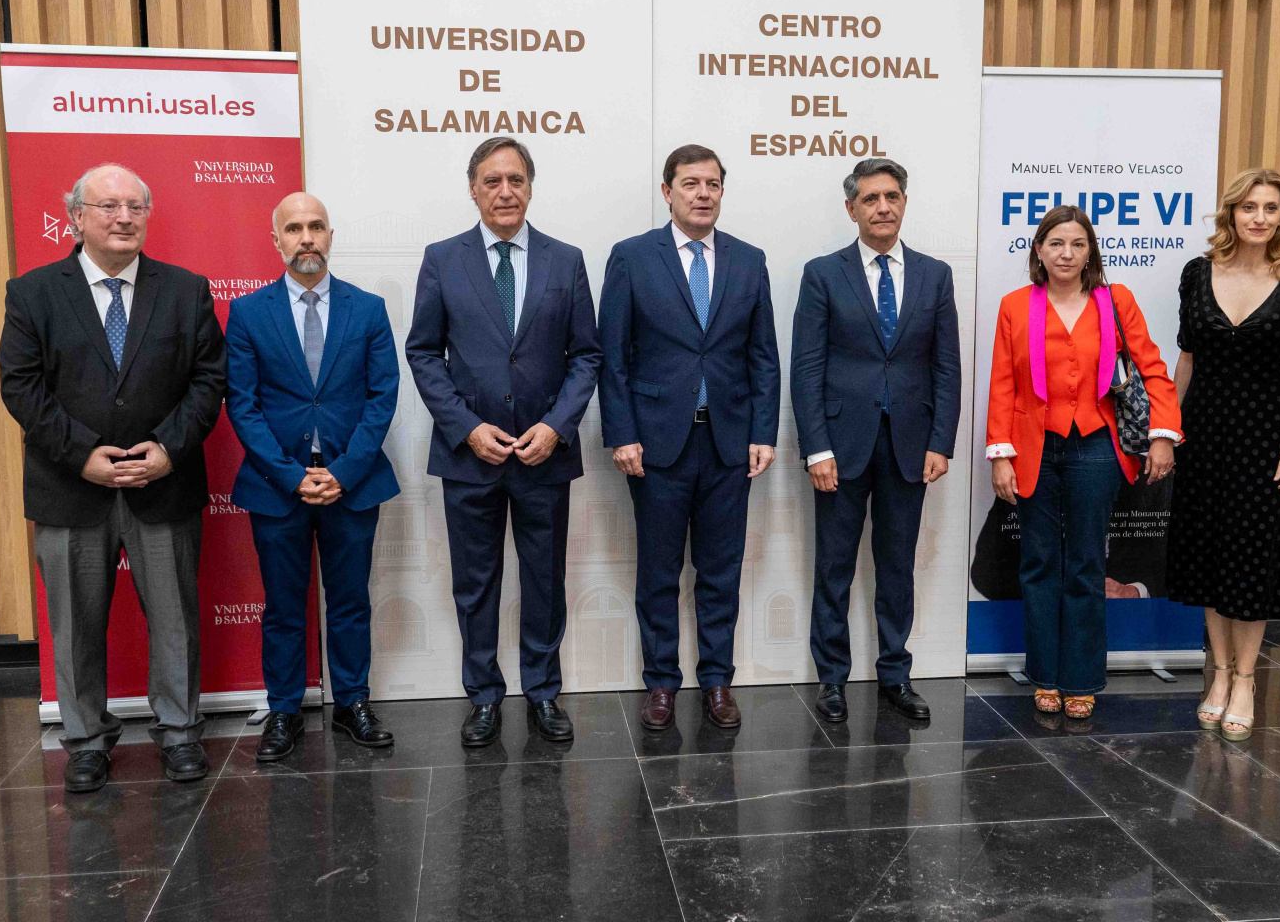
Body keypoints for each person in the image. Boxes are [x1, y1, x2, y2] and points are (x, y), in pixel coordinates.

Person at [0, 163, 226, 791]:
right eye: (108, 206)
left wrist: (168, 449)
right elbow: (20, 386)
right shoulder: (34, 292)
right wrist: (85, 456)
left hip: (164, 483)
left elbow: (210, 381)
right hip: (71, 488)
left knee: (176, 618)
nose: (124, 217)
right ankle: (86, 741)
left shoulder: (186, 290)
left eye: (135, 207)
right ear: (76, 217)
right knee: (73, 623)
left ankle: (180, 735)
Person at [406, 137, 601, 748]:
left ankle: (543, 692)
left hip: (544, 452)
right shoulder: (443, 258)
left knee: (544, 580)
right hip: (472, 457)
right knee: (476, 582)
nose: (505, 191)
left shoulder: (565, 259)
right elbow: (423, 352)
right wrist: (465, 427)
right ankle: (484, 696)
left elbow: (587, 354)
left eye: (515, 179)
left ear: (531, 186)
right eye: (492, 181)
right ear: (473, 189)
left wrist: (557, 426)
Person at [599, 144, 780, 731]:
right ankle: (661, 684)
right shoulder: (631, 258)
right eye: (690, 183)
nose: (703, 193)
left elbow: (763, 357)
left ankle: (718, 681)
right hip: (656, 444)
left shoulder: (749, 261)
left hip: (729, 442)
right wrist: (621, 432)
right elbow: (614, 357)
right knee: (658, 571)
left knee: (720, 570)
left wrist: (763, 431)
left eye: (713, 184)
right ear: (667, 192)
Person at [984, 205, 1180, 719]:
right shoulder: (1015, 306)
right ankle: (1045, 676)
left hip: (1096, 442)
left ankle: (1083, 678)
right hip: (1034, 447)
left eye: (1077, 243)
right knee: (1040, 563)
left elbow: (1154, 370)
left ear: (1090, 251)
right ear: (1039, 251)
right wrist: (1000, 454)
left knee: (1087, 565)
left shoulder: (1117, 301)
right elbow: (1003, 384)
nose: (1066, 253)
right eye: (1056, 243)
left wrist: (1163, 437)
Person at [226, 192, 401, 762]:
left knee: (350, 600)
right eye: (294, 228)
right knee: (282, 604)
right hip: (279, 487)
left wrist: (344, 472)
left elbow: (383, 397)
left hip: (352, 482)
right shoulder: (249, 313)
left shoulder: (369, 309)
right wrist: (289, 474)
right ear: (275, 240)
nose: (307, 238)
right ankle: (283, 710)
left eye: (317, 227)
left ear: (331, 236)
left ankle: (352, 701)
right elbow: (242, 404)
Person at [790, 158, 961, 722]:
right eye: (870, 199)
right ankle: (832, 680)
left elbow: (947, 366)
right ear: (851, 209)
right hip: (840, 447)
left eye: (891, 197)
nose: (882, 207)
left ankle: (896, 674)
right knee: (834, 567)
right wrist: (816, 447)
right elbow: (806, 367)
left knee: (897, 565)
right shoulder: (822, 273)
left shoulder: (935, 274)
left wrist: (941, 441)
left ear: (904, 203)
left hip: (911, 444)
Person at [1167, 168, 1280, 741]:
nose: (1259, 217)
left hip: (1267, 436)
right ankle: (1218, 673)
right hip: (1204, 434)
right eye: (1249, 207)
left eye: (1271, 209)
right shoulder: (1197, 274)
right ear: (1231, 214)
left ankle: (1245, 679)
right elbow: (1185, 359)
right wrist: (1168, 429)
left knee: (1252, 561)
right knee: (1210, 557)